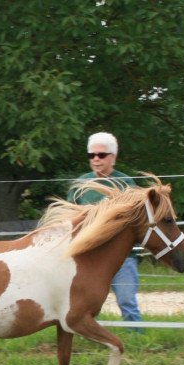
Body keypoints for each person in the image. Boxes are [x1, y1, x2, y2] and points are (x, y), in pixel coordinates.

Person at [67, 132, 143, 331]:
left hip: (123, 257)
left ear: (113, 157)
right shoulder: (81, 184)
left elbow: (136, 221)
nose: (96, 159)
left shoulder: (127, 184)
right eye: (91, 155)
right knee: (86, 302)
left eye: (101, 155)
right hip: (89, 257)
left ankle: (139, 340)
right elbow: (69, 218)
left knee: (127, 301)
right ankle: (92, 336)